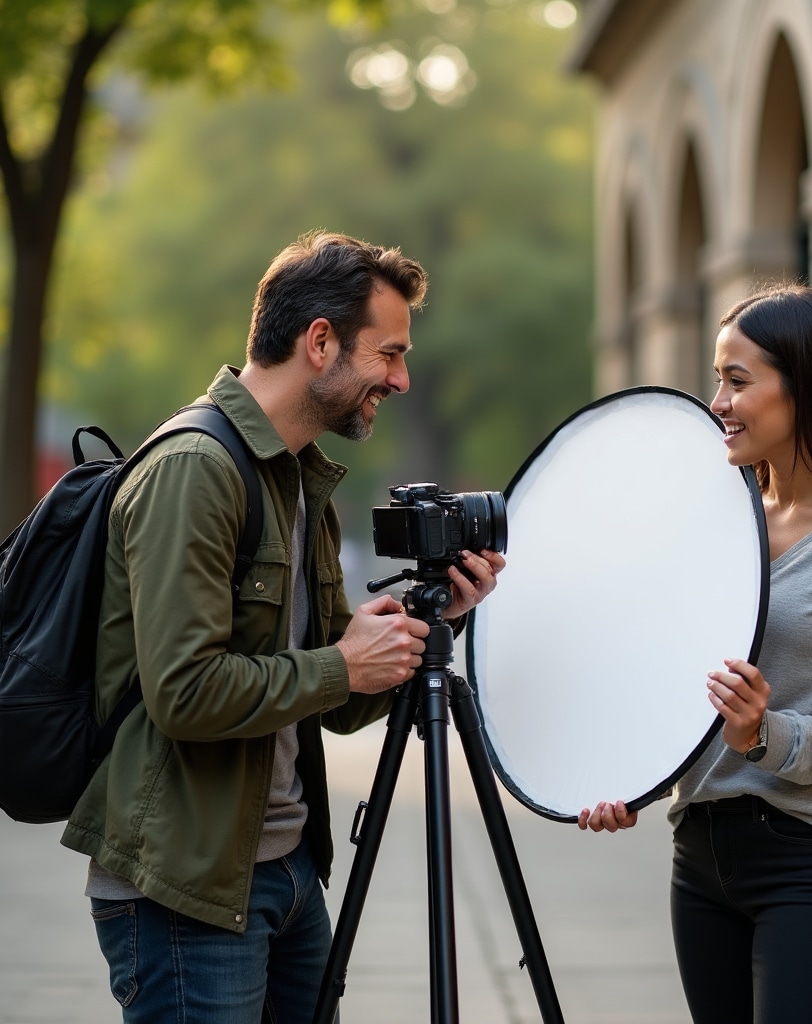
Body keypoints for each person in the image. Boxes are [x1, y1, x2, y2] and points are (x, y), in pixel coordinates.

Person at [60, 230, 506, 1023]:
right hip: (187, 890)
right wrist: (341, 664)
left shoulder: (298, 480)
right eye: (390, 354)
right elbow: (185, 693)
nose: (402, 379)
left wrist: (432, 624)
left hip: (288, 871)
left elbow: (335, 698)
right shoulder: (195, 467)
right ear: (320, 342)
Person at [579, 283, 812, 1024]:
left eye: (739, 381)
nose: (718, 402)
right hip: (699, 858)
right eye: (717, 379)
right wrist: (622, 776)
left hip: (810, 867)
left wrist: (766, 736)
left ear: (807, 388)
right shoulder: (718, 515)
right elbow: (671, 680)